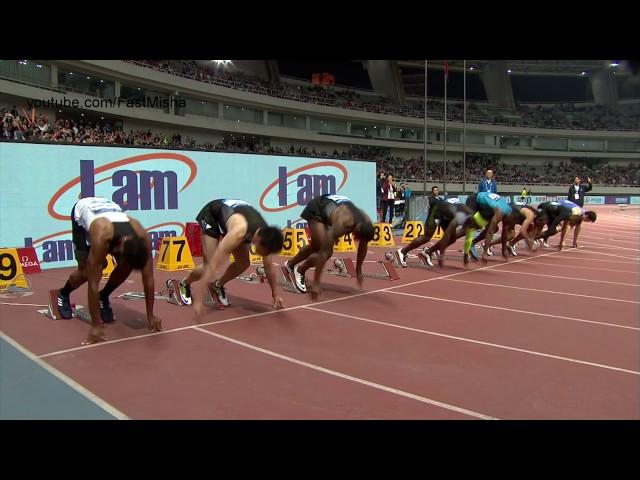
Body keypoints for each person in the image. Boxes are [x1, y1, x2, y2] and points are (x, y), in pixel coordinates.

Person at [55, 197, 162, 345]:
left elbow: (148, 279)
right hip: (83, 211)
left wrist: (151, 316)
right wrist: (95, 326)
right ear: (118, 249)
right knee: (87, 271)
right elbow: (93, 284)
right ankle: (63, 293)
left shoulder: (142, 237)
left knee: (126, 266)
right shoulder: (102, 234)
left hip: (111, 215)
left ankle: (103, 297)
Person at [180, 199, 285, 317]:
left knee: (243, 262)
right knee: (208, 266)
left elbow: (269, 267)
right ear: (259, 242)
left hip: (234, 217)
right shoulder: (238, 232)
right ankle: (184, 283)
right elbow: (214, 264)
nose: (263, 255)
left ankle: (217, 285)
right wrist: (199, 299)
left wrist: (275, 295)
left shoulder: (266, 235)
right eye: (264, 253)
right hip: (212, 215)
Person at [283, 194, 374, 300]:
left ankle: (290, 265)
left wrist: (358, 270)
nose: (357, 240)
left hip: (333, 207)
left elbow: (363, 246)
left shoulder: (366, 222)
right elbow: (323, 253)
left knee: (316, 246)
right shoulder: (343, 223)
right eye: (357, 238)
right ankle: (300, 270)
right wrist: (316, 283)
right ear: (357, 230)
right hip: (318, 208)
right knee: (322, 249)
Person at [403, 196, 475, 268]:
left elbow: (469, 238)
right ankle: (403, 252)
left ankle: (428, 252)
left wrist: (465, 255)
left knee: (452, 239)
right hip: (436, 211)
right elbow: (446, 235)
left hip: (446, 213)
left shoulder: (470, 217)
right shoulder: (460, 217)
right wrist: (441, 254)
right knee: (426, 237)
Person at [462, 192, 512, 264]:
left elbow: (504, 232)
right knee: (466, 228)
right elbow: (489, 232)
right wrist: (485, 253)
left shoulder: (508, 212)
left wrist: (504, 250)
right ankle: (446, 241)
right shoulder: (500, 213)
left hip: (486, 207)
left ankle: (472, 243)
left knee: (494, 228)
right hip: (474, 200)